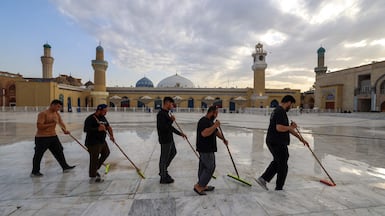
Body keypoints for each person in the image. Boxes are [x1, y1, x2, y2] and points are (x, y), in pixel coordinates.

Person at [255, 95, 309, 191]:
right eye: (291, 105)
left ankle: (263, 179)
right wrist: (290, 127)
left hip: (273, 141)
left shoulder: (279, 111)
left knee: (278, 162)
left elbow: (286, 128)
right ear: (288, 102)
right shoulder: (280, 111)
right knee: (283, 164)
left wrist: (301, 138)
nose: (291, 107)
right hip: (277, 142)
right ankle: (278, 187)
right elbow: (279, 128)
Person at [31, 99, 76, 177]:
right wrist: (52, 124)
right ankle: (35, 171)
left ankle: (65, 167)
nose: (58, 109)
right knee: (38, 154)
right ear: (52, 105)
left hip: (53, 136)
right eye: (58, 106)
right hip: (42, 138)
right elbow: (39, 126)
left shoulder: (56, 114)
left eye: (60, 107)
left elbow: (61, 123)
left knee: (59, 151)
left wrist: (65, 130)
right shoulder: (43, 114)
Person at [194, 106, 228, 195]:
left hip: (207, 148)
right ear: (211, 112)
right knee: (210, 167)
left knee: (203, 167)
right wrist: (215, 125)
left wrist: (223, 138)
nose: (216, 115)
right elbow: (204, 133)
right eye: (216, 113)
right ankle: (199, 186)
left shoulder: (210, 122)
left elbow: (215, 132)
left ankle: (203, 185)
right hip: (205, 149)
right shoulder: (203, 121)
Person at [156, 97, 186, 184]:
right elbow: (164, 127)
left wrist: (180, 134)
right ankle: (163, 177)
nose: (172, 106)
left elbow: (170, 127)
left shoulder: (167, 113)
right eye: (172, 104)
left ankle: (163, 170)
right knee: (164, 157)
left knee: (173, 152)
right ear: (168, 103)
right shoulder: (161, 114)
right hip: (165, 139)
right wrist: (171, 121)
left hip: (169, 138)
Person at [84, 104, 114, 183]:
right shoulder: (90, 118)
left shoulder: (103, 117)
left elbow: (108, 127)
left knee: (106, 153)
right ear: (99, 110)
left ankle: (95, 168)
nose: (106, 113)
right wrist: (98, 129)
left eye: (106, 111)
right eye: (104, 111)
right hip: (92, 142)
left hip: (102, 141)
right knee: (94, 158)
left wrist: (111, 136)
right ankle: (93, 175)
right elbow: (86, 130)